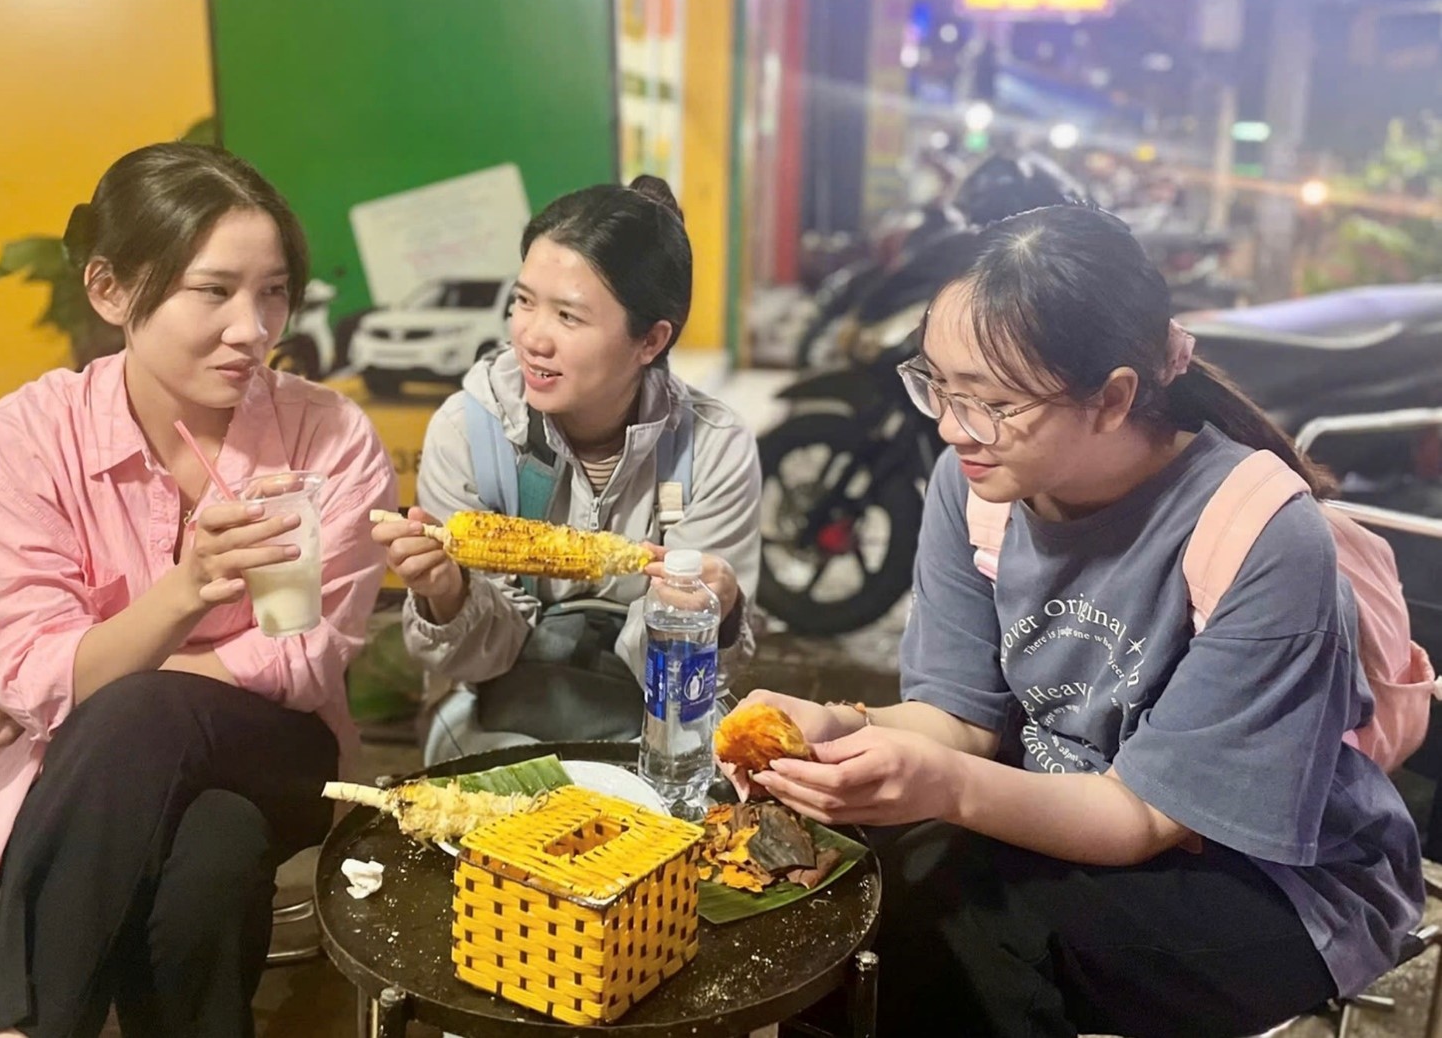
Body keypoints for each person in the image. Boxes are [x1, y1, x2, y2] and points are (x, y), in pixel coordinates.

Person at [738, 203, 1423, 1038]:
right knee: (840, 884)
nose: (953, 428)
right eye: (939, 387)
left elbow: (1141, 819)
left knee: (963, 930)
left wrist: (942, 786)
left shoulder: (1262, 538)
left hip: (1276, 881)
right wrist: (840, 727)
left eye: (988, 402)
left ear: (1114, 398)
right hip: (1064, 805)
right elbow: (960, 718)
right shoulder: (978, 483)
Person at [0, 143, 394, 1038]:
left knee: (139, 709)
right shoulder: (21, 445)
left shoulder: (325, 437)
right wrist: (184, 593)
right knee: (211, 861)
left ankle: (29, 1027)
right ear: (110, 291)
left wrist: (106, 673)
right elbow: (32, 672)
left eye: (273, 292)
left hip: (279, 751)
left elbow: (298, 659)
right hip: (102, 781)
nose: (253, 328)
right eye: (213, 291)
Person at [375, 177, 761, 763]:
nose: (532, 337)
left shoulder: (713, 446)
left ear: (650, 340)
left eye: (569, 317)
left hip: (654, 716)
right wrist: (447, 594)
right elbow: (476, 660)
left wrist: (712, 612)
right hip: (498, 706)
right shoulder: (470, 430)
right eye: (524, 301)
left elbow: (694, 686)